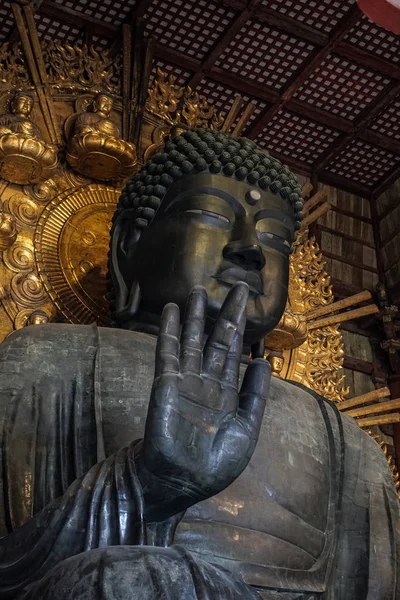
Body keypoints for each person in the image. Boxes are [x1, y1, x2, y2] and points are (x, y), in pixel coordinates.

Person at [0, 128, 398, 599]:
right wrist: (144, 487)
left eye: (275, 236)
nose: (250, 248)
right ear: (128, 243)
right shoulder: (44, 358)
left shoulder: (346, 443)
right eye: (211, 214)